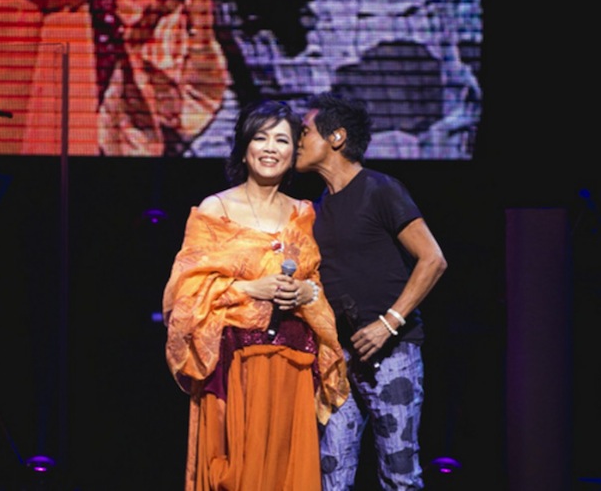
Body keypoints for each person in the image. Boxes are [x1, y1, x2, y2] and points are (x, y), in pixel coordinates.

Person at [162, 99, 349, 491]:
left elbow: (320, 283)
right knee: (234, 473)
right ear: (244, 148)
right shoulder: (216, 209)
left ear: (293, 151)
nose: (269, 148)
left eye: (281, 140)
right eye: (260, 138)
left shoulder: (304, 214)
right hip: (233, 363)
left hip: (291, 365)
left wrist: (305, 291)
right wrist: (250, 288)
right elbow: (184, 293)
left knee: (285, 472)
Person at [295, 92, 448, 490]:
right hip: (340, 361)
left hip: (392, 353)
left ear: (337, 137)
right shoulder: (317, 208)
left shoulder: (379, 189)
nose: (297, 139)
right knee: (331, 475)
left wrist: (389, 323)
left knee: (398, 474)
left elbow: (433, 259)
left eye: (306, 131)